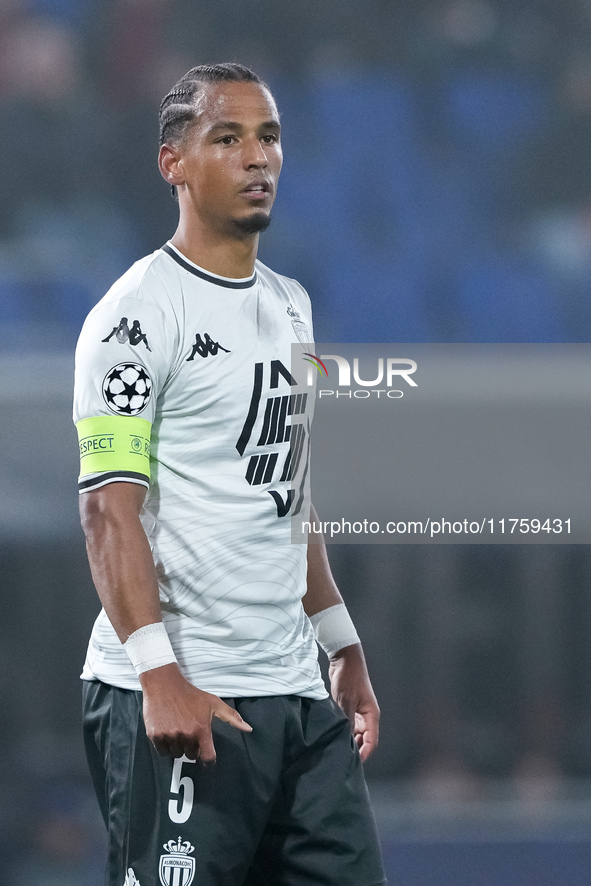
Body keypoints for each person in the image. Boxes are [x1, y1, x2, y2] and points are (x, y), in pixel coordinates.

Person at [74, 63, 387, 886]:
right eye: (228, 137)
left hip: (293, 695)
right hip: (188, 696)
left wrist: (340, 642)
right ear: (172, 162)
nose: (258, 157)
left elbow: (286, 488)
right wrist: (158, 674)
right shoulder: (136, 313)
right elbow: (109, 511)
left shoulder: (291, 304)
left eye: (269, 136)